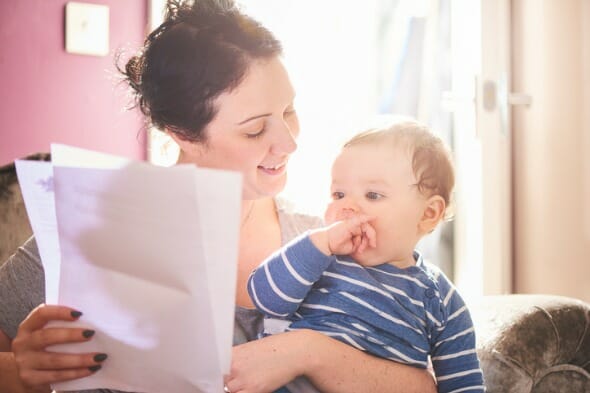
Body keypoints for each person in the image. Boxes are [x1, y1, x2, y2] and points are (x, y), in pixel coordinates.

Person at [0, 1, 437, 393]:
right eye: (254, 128)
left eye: (289, 111)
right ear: (182, 134)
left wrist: (310, 351)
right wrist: (24, 370)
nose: (288, 142)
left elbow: (422, 383)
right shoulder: (88, 231)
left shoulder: (326, 237)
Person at [248, 120, 485, 392]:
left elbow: (464, 385)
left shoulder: (441, 301)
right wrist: (321, 242)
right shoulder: (321, 259)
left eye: (373, 195)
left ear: (428, 213)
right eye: (338, 194)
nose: (347, 207)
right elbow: (264, 297)